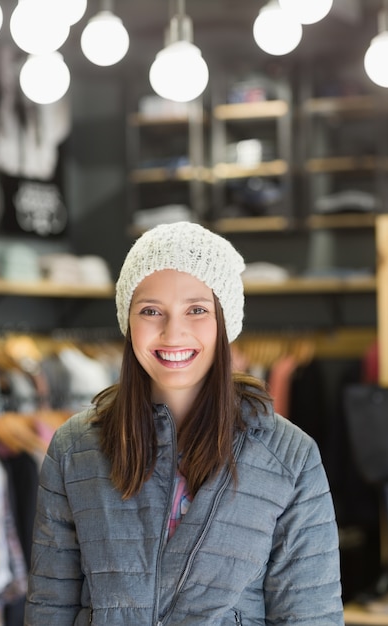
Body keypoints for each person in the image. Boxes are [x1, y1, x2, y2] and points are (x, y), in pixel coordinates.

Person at [24, 221, 344, 625]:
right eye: (151, 311)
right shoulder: (74, 449)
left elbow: (310, 617)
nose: (173, 332)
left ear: (224, 321)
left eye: (197, 310)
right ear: (128, 320)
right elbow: (49, 608)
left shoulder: (289, 457)